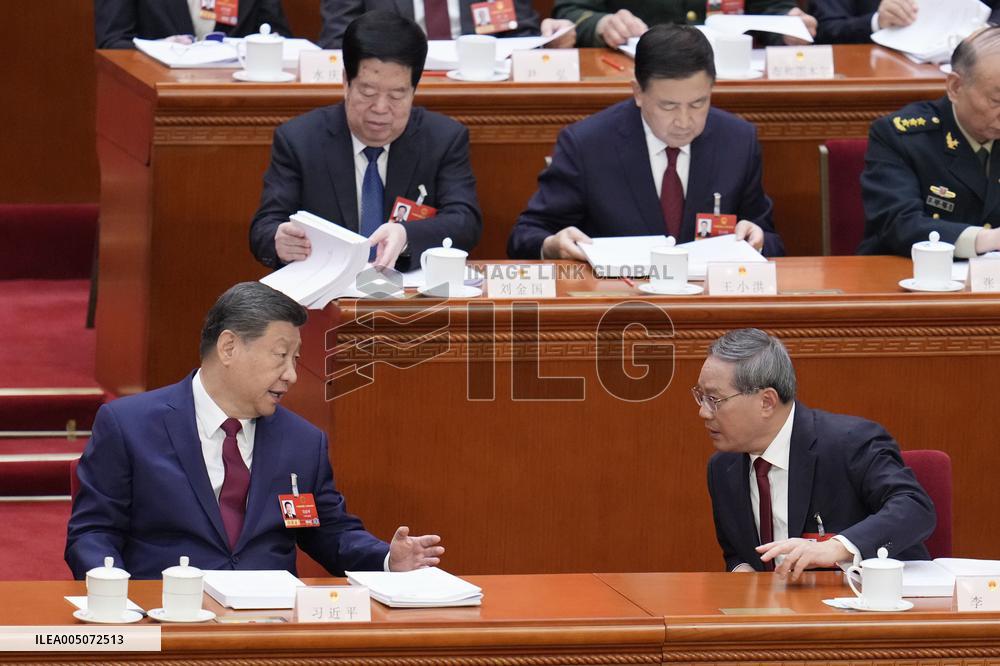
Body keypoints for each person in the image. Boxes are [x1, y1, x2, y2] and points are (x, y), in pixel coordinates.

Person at [66, 282, 444, 579]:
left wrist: (386, 559)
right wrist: (108, 584)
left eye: (296, 359)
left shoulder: (302, 442)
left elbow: (328, 532)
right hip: (169, 618)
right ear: (228, 347)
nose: (292, 375)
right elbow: (94, 530)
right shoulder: (129, 425)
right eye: (281, 356)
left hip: (268, 626)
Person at [507, 25, 784, 261]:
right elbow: (526, 235)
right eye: (669, 106)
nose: (684, 121)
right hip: (619, 306)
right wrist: (552, 245)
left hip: (708, 304)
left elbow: (770, 239)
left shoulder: (737, 141)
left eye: (698, 103)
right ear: (638, 92)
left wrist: (757, 240)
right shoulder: (587, 145)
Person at [250, 11, 482, 273]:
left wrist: (406, 234)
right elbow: (265, 225)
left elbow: (465, 221)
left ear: (414, 91)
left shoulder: (443, 139)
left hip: (407, 296)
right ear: (345, 83)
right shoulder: (300, 139)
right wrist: (279, 240)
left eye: (397, 95)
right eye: (368, 92)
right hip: (326, 294)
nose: (381, 108)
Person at [699, 329, 935, 578]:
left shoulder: (850, 442)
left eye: (714, 399)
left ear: (767, 402)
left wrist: (836, 548)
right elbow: (736, 552)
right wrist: (742, 572)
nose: (703, 412)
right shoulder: (723, 468)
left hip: (867, 603)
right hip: (775, 611)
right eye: (701, 397)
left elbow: (915, 507)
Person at [858, 27, 1000, 257]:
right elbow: (898, 224)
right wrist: (986, 239)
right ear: (955, 87)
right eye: (997, 100)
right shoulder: (900, 136)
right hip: (909, 277)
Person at [552, 0, 815, 48]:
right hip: (636, 71)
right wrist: (602, 24)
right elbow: (572, 12)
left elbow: (772, 9)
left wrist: (788, 27)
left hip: (730, 74)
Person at [319, 0, 576, 49]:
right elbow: (337, 43)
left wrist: (549, 41)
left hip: (477, 93)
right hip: (388, 90)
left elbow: (522, 37)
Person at [95, 0, 291, 49]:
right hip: (156, 104)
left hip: (236, 104)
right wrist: (160, 50)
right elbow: (113, 42)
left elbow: (277, 36)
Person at [811, 0, 1000, 44]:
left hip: (965, 69)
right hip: (879, 78)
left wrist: (985, 30)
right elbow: (826, 29)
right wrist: (877, 22)